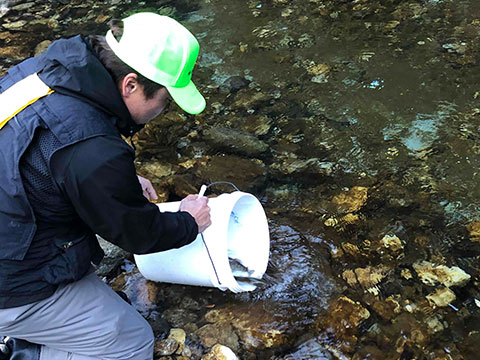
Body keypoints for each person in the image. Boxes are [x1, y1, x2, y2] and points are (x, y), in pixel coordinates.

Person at [0, 12, 211, 360]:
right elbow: (137, 233)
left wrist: (110, 180)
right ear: (130, 84)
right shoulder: (93, 151)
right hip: (11, 286)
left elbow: (41, 156)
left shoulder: (46, 70)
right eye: (166, 98)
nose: (164, 108)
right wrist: (189, 221)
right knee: (131, 342)